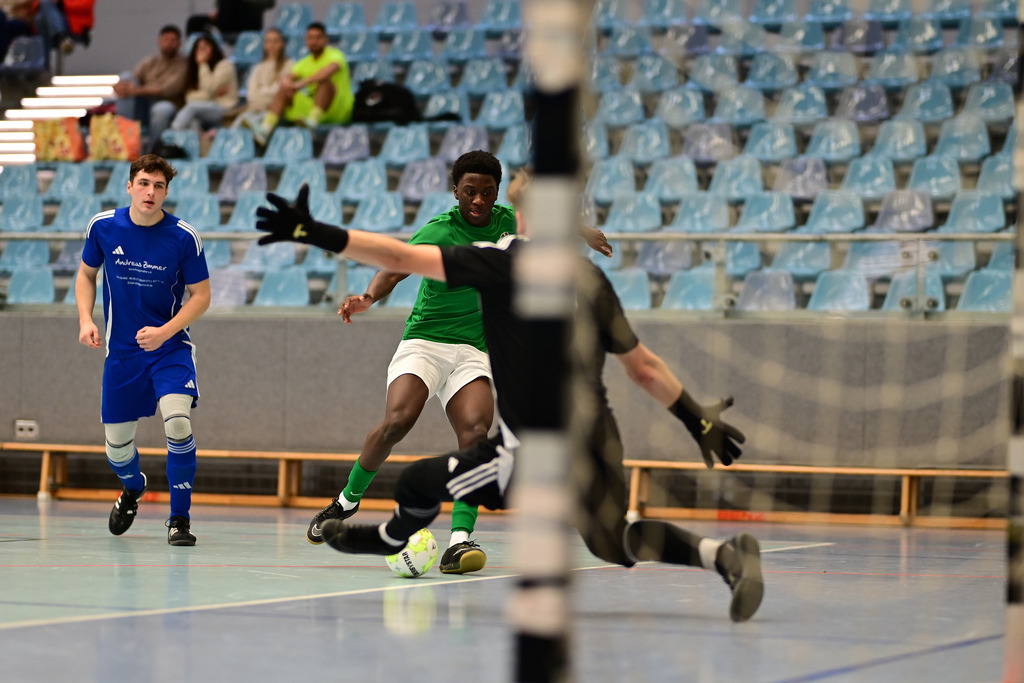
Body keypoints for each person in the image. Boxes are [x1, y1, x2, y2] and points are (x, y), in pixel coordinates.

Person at [254, 177, 763, 622]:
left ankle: (390, 538)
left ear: (520, 215)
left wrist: (314, 232)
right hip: (597, 438)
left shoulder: (499, 262)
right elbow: (645, 368)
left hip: (532, 449)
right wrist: (698, 420)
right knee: (610, 538)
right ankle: (725, 556)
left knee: (417, 480)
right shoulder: (590, 278)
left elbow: (399, 257)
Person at [305, 151, 612, 576]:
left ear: (497, 193)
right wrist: (368, 298)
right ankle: (346, 501)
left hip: (475, 350)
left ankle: (460, 541)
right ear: (456, 191)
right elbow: (395, 268)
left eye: (487, 192)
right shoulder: (439, 231)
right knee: (397, 421)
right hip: (425, 341)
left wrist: (585, 233)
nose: (479, 200)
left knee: (474, 434)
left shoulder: (507, 220)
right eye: (470, 191)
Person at [75, 153, 212, 547]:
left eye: (159, 186)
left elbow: (201, 297)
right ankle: (134, 487)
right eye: (144, 183)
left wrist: (165, 331)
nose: (151, 192)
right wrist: (86, 319)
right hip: (121, 355)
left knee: (178, 423)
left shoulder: (184, 236)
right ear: (130, 186)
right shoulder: (103, 227)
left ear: (166, 191)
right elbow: (86, 275)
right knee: (117, 448)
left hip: (170, 349)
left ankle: (179, 520)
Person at [245, 21, 353, 146]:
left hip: (337, 111)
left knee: (325, 83)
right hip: (310, 108)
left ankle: (312, 124)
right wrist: (287, 83)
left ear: (325, 39)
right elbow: (288, 77)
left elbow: (325, 73)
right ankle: (265, 129)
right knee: (284, 89)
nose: (313, 42)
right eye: (310, 38)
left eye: (318, 37)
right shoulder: (303, 62)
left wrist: (300, 84)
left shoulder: (336, 55)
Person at [112, 25, 187, 152]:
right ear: (159, 41)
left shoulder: (184, 64)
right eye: (165, 39)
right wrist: (118, 86)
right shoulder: (150, 61)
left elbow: (166, 90)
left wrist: (135, 90)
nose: (169, 44)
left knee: (161, 109)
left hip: (168, 105)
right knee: (125, 76)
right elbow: (131, 81)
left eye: (173, 40)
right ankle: (125, 141)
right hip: (144, 106)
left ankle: (153, 152)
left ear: (179, 43)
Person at [168, 33, 238, 134]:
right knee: (193, 121)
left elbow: (210, 88)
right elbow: (190, 97)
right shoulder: (193, 70)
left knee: (192, 108)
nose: (202, 51)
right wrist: (211, 95)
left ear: (214, 49)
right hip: (203, 109)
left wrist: (203, 64)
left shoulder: (225, 65)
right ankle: (193, 148)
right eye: (199, 48)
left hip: (222, 108)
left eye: (205, 47)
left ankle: (171, 135)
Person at [229, 27, 293, 130]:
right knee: (237, 127)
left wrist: (262, 93)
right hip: (252, 110)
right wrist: (264, 96)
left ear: (282, 44)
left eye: (276, 41)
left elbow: (280, 91)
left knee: (253, 125)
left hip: (274, 113)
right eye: (268, 41)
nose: (272, 45)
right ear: (264, 44)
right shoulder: (257, 67)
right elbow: (252, 95)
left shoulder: (290, 65)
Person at [186, 0, 270, 43]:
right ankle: (194, 49)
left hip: (248, 21)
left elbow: (269, 3)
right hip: (227, 19)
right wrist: (217, 11)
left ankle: (223, 31)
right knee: (194, 21)